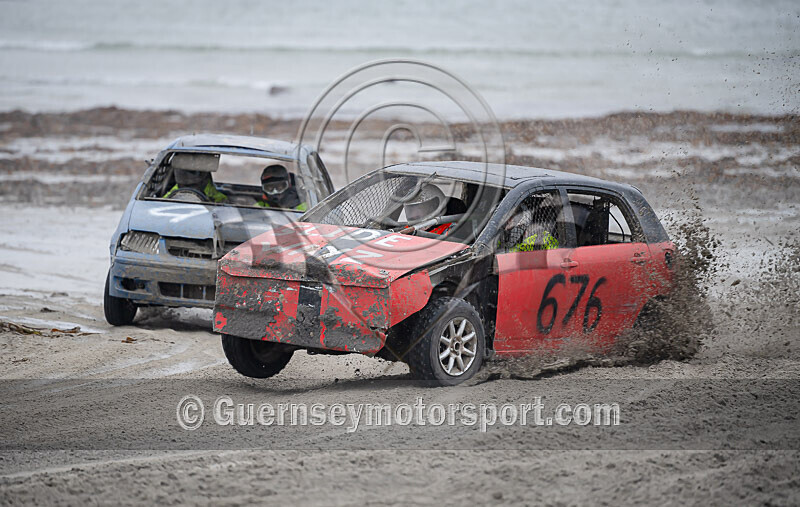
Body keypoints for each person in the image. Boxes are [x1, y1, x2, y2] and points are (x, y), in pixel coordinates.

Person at [163, 169, 227, 203]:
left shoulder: (207, 186)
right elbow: (161, 202)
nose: (187, 176)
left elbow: (222, 200)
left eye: (192, 172)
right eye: (183, 172)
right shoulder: (175, 188)